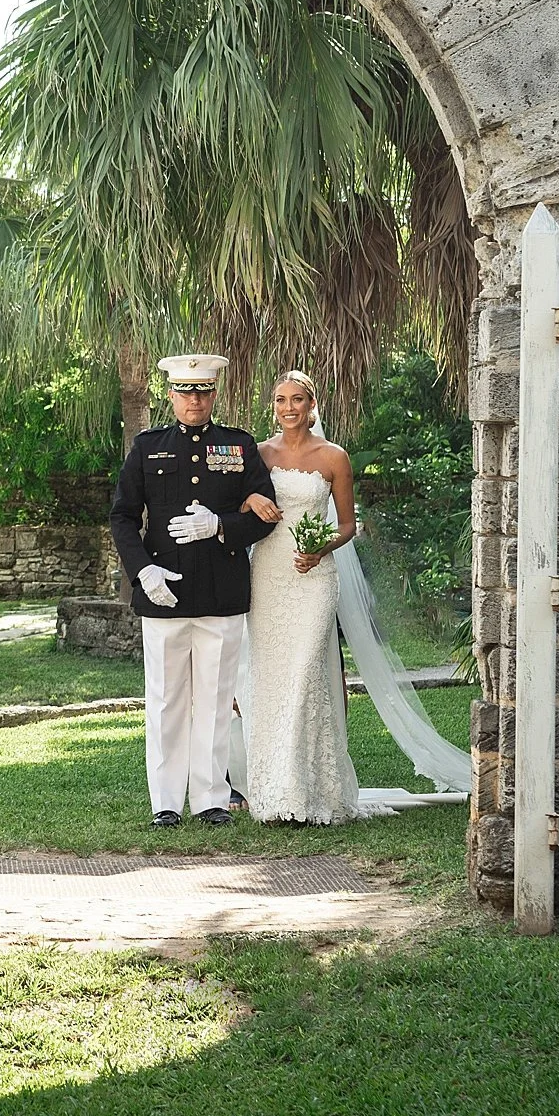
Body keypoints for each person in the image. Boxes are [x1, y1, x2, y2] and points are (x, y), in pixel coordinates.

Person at [109, 352, 279, 829]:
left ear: (214, 395)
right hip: (164, 591)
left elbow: (265, 517)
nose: (194, 400)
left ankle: (210, 799)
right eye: (186, 391)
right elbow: (123, 516)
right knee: (165, 699)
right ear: (171, 396)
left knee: (214, 697)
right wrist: (144, 571)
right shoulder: (148, 447)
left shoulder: (239, 446)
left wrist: (221, 526)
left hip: (221, 592)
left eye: (203, 391)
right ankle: (165, 801)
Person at [235, 370, 368, 825]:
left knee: (307, 672)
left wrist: (320, 547)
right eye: (279, 400)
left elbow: (348, 525)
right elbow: (235, 503)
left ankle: (312, 791)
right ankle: (274, 791)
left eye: (297, 399)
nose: (288, 407)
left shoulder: (334, 457)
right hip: (269, 573)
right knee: (272, 677)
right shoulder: (257, 453)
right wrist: (252, 500)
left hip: (314, 578)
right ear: (272, 405)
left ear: (312, 405)